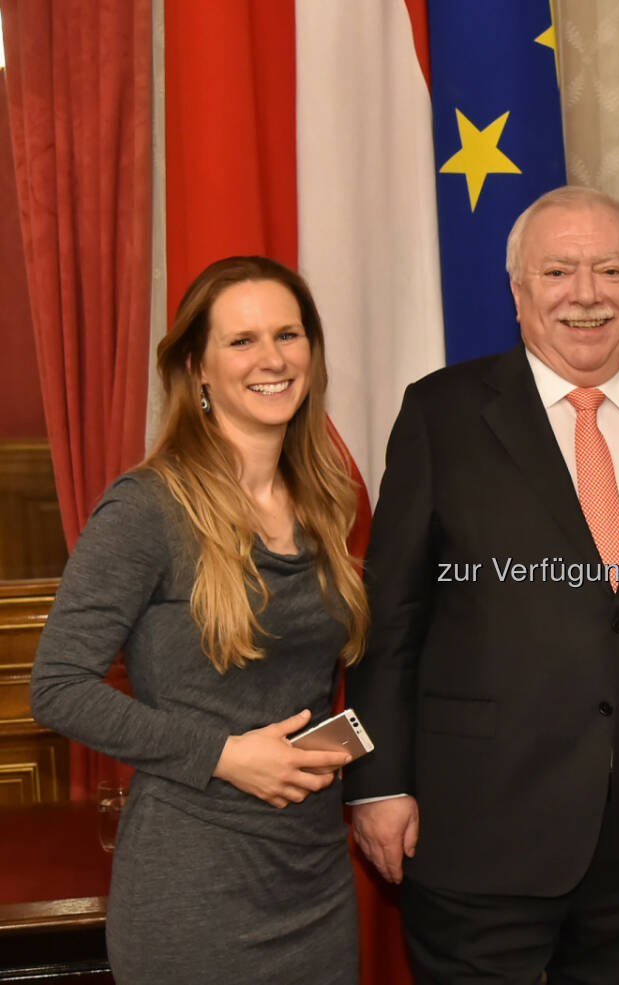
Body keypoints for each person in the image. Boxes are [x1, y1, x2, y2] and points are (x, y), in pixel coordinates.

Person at [345, 185, 619, 985]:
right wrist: (377, 782)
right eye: (559, 271)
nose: (586, 294)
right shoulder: (442, 414)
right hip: (479, 832)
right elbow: (389, 618)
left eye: (610, 270)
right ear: (517, 292)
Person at [29, 256, 370, 984]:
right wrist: (223, 752)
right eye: (241, 341)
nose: (273, 358)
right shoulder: (147, 508)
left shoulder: (326, 498)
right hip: (193, 885)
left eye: (289, 334)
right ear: (198, 368)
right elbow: (57, 685)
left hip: (314, 880)